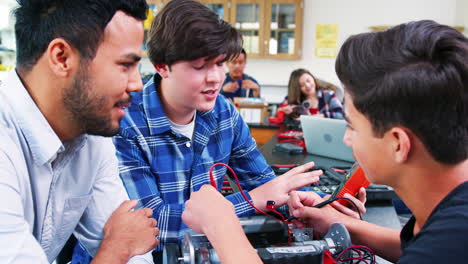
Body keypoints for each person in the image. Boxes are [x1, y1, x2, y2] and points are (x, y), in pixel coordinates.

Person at [182, 20, 468, 263]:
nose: (346, 137)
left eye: (352, 126)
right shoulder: (450, 224)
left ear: (398, 144)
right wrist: (344, 225)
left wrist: (221, 224)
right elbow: (416, 244)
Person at [109, 0, 327, 259]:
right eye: (200, 66)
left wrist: (320, 202)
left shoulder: (223, 113)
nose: (215, 78)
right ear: (161, 66)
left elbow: (263, 183)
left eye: (221, 63)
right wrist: (252, 200)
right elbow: (152, 225)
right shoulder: (124, 122)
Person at [0, 0, 159, 263]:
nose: (137, 84)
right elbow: (125, 244)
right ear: (61, 58)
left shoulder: (91, 135)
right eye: (125, 65)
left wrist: (122, 246)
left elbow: (136, 250)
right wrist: (115, 249)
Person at [278, 68, 344, 119]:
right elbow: (279, 109)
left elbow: (341, 115)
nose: (307, 85)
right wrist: (282, 110)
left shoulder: (328, 94)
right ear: (297, 89)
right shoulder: (293, 98)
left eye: (308, 80)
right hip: (299, 132)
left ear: (313, 78)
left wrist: (322, 116)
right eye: (302, 85)